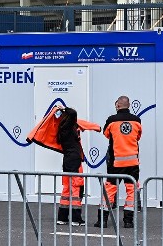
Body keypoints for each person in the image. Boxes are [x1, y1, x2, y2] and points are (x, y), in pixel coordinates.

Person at [95, 95, 142, 230]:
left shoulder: (111, 120)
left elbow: (106, 134)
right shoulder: (136, 120)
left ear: (117, 105)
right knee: (131, 191)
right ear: (129, 105)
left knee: (109, 190)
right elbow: (138, 136)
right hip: (133, 162)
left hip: (116, 162)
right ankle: (128, 222)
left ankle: (102, 221)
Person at [52, 105, 86, 226]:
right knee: (76, 188)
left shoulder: (62, 128)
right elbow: (72, 114)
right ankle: (76, 219)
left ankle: (62, 217)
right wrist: (65, 109)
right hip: (74, 160)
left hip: (67, 160)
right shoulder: (71, 129)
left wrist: (63, 110)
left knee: (66, 189)